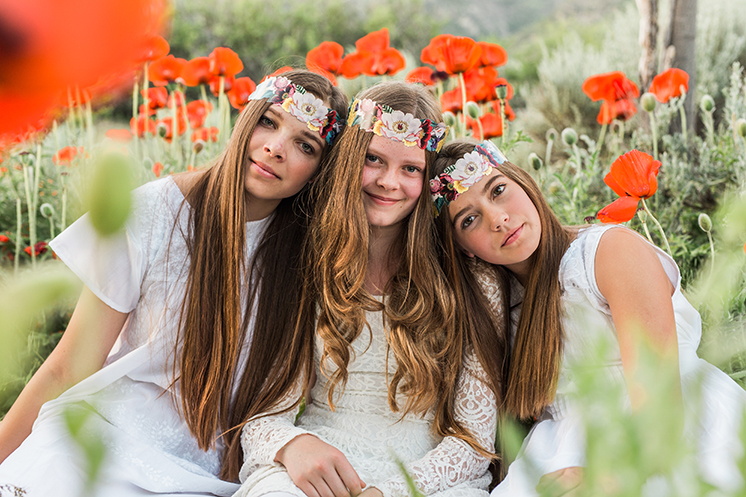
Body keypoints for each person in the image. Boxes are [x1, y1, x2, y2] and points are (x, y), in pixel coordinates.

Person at [0, 70, 348, 497]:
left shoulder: (312, 257)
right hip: (103, 433)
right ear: (245, 120)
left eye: (305, 145)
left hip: (208, 469)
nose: (276, 148)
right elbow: (69, 365)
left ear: (319, 171)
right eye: (268, 122)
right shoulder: (155, 211)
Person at [430, 140, 746, 496]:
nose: (498, 219)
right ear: (464, 249)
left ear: (524, 183)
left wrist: (606, 477)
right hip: (561, 449)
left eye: (499, 191)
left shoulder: (606, 253)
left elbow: (662, 405)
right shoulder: (500, 306)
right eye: (469, 220)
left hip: (666, 432)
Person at [232, 82, 504, 497]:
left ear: (428, 178)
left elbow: (474, 443)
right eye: (373, 159)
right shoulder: (308, 259)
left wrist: (387, 492)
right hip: (322, 460)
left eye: (411, 169)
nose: (389, 182)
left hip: (430, 477)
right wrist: (292, 445)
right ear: (348, 161)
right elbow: (266, 413)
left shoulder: (468, 275)